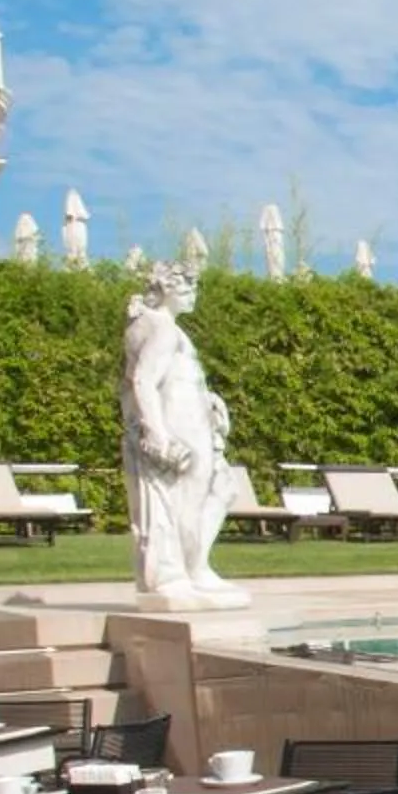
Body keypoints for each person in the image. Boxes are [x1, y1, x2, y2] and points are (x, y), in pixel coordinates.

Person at [119, 262, 249, 611]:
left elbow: (174, 376)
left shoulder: (158, 326)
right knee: (188, 501)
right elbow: (143, 381)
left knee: (221, 488)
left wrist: (209, 400)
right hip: (180, 423)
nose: (194, 295)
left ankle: (194, 568)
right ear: (166, 291)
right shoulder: (162, 329)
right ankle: (182, 573)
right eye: (187, 290)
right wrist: (158, 433)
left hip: (190, 417)